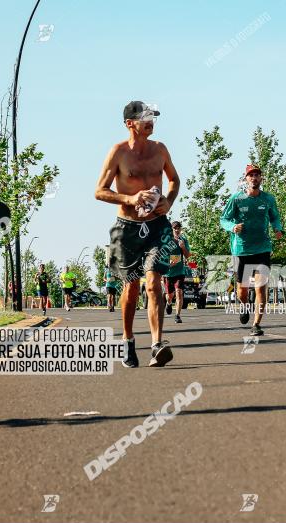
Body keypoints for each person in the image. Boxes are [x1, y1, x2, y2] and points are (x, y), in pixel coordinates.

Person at [95, 100, 179, 368]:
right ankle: (128, 339)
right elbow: (100, 191)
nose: (150, 121)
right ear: (130, 123)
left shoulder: (160, 149)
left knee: (154, 283)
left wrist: (169, 200)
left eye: (152, 116)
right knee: (131, 288)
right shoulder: (118, 152)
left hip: (157, 226)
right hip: (127, 229)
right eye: (145, 117)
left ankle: (156, 344)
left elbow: (174, 180)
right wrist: (130, 199)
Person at [220, 164, 283, 336]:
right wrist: (232, 227)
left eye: (257, 175)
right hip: (241, 250)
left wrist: (278, 228)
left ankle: (256, 324)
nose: (254, 178)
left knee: (261, 288)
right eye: (251, 175)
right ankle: (244, 305)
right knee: (242, 291)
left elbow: (275, 217)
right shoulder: (237, 199)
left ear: (261, 178)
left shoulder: (268, 199)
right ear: (245, 179)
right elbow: (223, 219)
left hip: (262, 248)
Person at [163, 220, 191, 324]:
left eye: (179, 228)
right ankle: (169, 303)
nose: (177, 230)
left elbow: (188, 256)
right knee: (170, 295)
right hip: (168, 273)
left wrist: (183, 247)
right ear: (172, 229)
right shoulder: (167, 240)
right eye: (175, 228)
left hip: (180, 271)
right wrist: (168, 262)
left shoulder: (183, 240)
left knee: (179, 292)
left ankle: (177, 315)